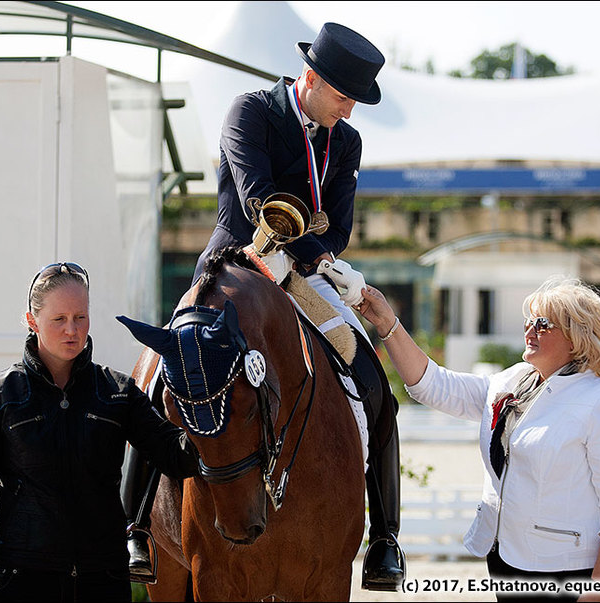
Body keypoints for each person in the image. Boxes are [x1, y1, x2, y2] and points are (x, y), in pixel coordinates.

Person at [125, 22, 406, 592]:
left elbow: (341, 228)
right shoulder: (251, 111)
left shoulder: (345, 142)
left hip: (304, 275)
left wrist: (318, 257)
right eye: (343, 97)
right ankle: (133, 524)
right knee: (161, 370)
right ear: (313, 76)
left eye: (354, 101)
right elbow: (256, 199)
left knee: (373, 381)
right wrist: (303, 242)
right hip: (236, 265)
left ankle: (385, 538)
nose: (348, 112)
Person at [356, 276, 600, 602]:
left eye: (543, 323)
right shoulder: (512, 380)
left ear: (576, 338)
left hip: (568, 574)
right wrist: (387, 324)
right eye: (528, 321)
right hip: (505, 562)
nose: (529, 330)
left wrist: (598, 593)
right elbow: (434, 385)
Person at [0, 262, 200, 602]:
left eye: (81, 317)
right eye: (59, 319)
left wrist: (206, 394)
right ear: (32, 321)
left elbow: (178, 456)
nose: (72, 330)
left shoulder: (117, 392)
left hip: (102, 582)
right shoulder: (0, 395)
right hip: (20, 584)